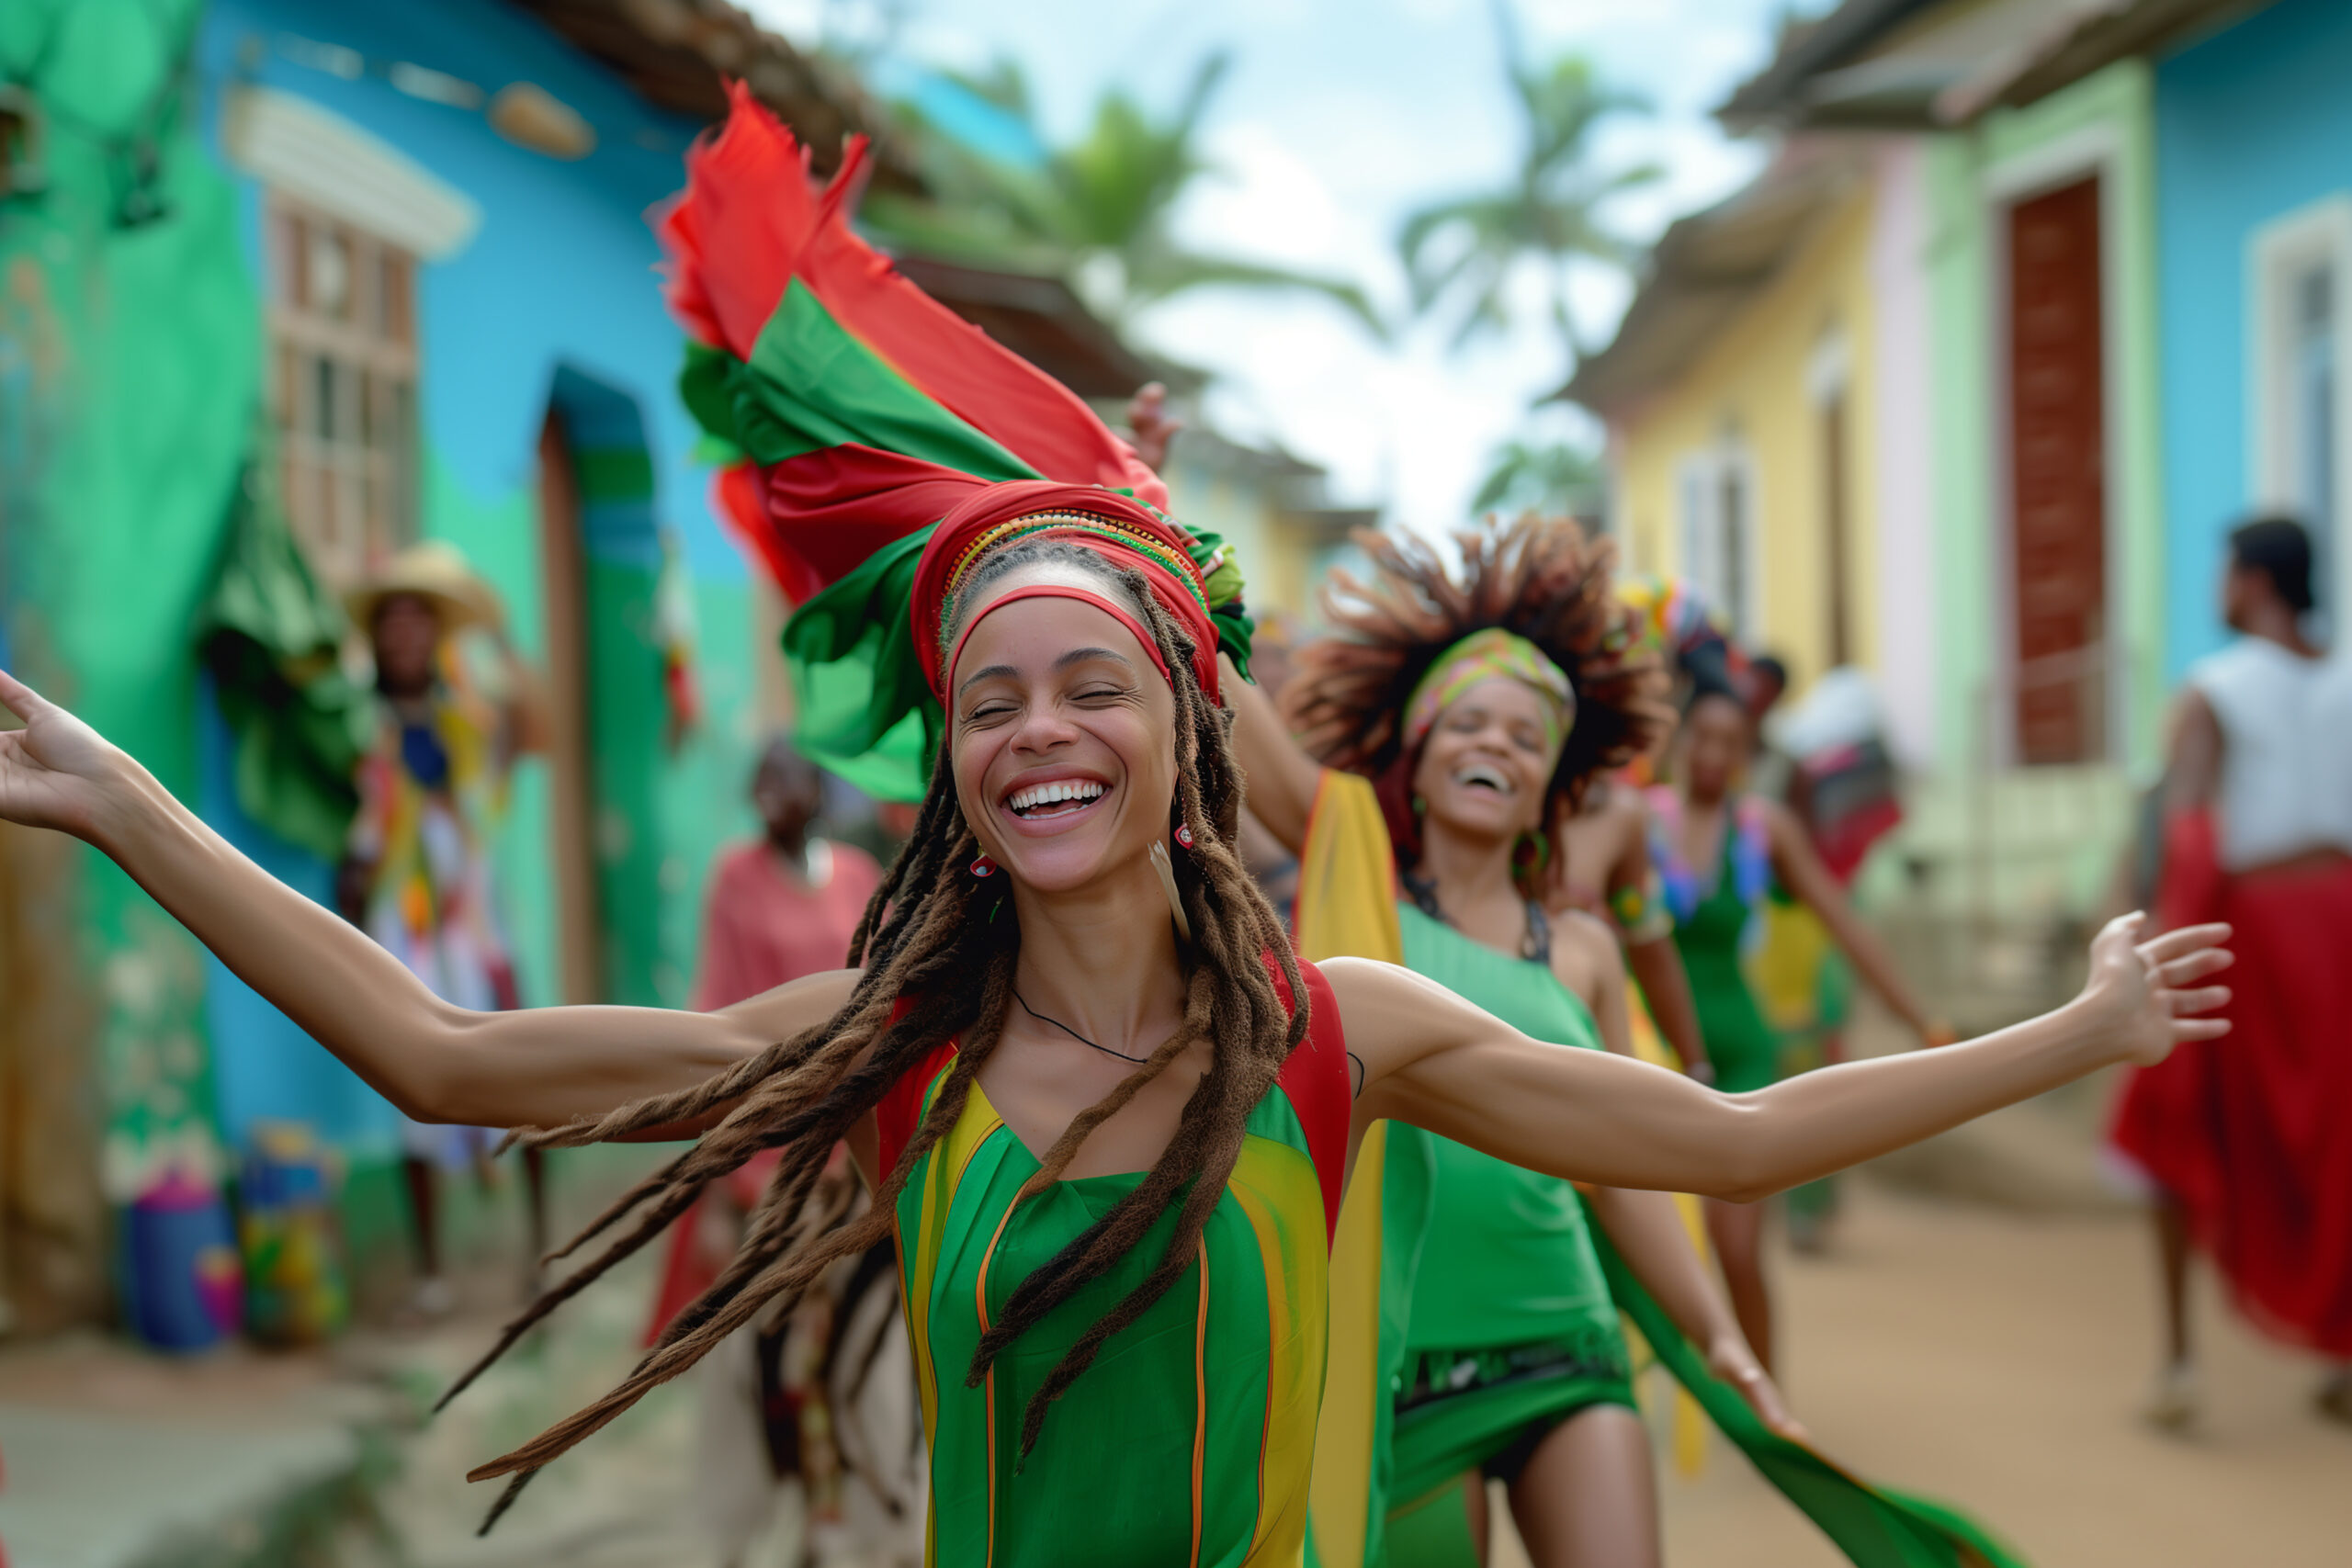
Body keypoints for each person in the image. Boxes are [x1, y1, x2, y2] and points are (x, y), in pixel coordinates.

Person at [0, 90, 2233, 1565]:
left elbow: (1725, 1142)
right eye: (987, 700)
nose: (1037, 730)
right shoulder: (897, 1049)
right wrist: (125, 804)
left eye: (1091, 684)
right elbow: (445, 1055)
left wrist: (2073, 1030)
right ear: (951, 774)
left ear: (1187, 729)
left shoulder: (1342, 1031)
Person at [1223, 519, 1793, 1568]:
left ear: (1551, 788)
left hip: (1563, 1345)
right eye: (1469, 724)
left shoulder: (1584, 949)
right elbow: (1237, 718)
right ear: (1417, 757)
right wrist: (1155, 531)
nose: (1495, 745)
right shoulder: (1356, 889)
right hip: (1399, 1378)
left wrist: (1713, 1325)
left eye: (1528, 738)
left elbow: (1622, 1166)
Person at [2109, 515, 2352, 1429]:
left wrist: (2143, 930)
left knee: (2174, 1109)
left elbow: (2183, 827)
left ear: (2251, 582)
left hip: (2249, 927)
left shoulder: (2213, 687)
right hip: (2341, 928)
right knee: (2338, 1137)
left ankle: (2178, 1363)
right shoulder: (2344, 677)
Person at [646, 738, 914, 1567]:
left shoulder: (857, 878)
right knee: (769, 1356)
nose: (774, 791)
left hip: (856, 1164)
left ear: (820, 791)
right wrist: (724, 1176)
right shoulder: (736, 879)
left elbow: (888, 1004)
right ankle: (792, 1520)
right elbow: (720, 1015)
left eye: (790, 776)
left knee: (870, 1350)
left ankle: (876, 1519)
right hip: (774, 1171)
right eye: (762, 778)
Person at [1650, 673, 1949, 1374]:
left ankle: (1767, 1398)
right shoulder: (1639, 822)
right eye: (1702, 736)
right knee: (1653, 1250)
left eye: (1730, 741)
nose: (1713, 753)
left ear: (1747, 751)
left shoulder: (1763, 828)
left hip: (1743, 1058)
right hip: (1654, 1058)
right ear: (1680, 737)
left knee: (1734, 1246)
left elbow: (1843, 923)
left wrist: (1921, 1020)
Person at [336, 543, 548, 1315]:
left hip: (475, 918)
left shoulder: (468, 718)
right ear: (376, 637)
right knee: (411, 1079)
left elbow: (534, 731)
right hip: (403, 921)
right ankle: (430, 1268)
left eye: (416, 619)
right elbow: (358, 827)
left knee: (527, 1069)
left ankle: (543, 1246)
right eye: (389, 621)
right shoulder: (357, 724)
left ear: (434, 634)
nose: (403, 634)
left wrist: (503, 641)